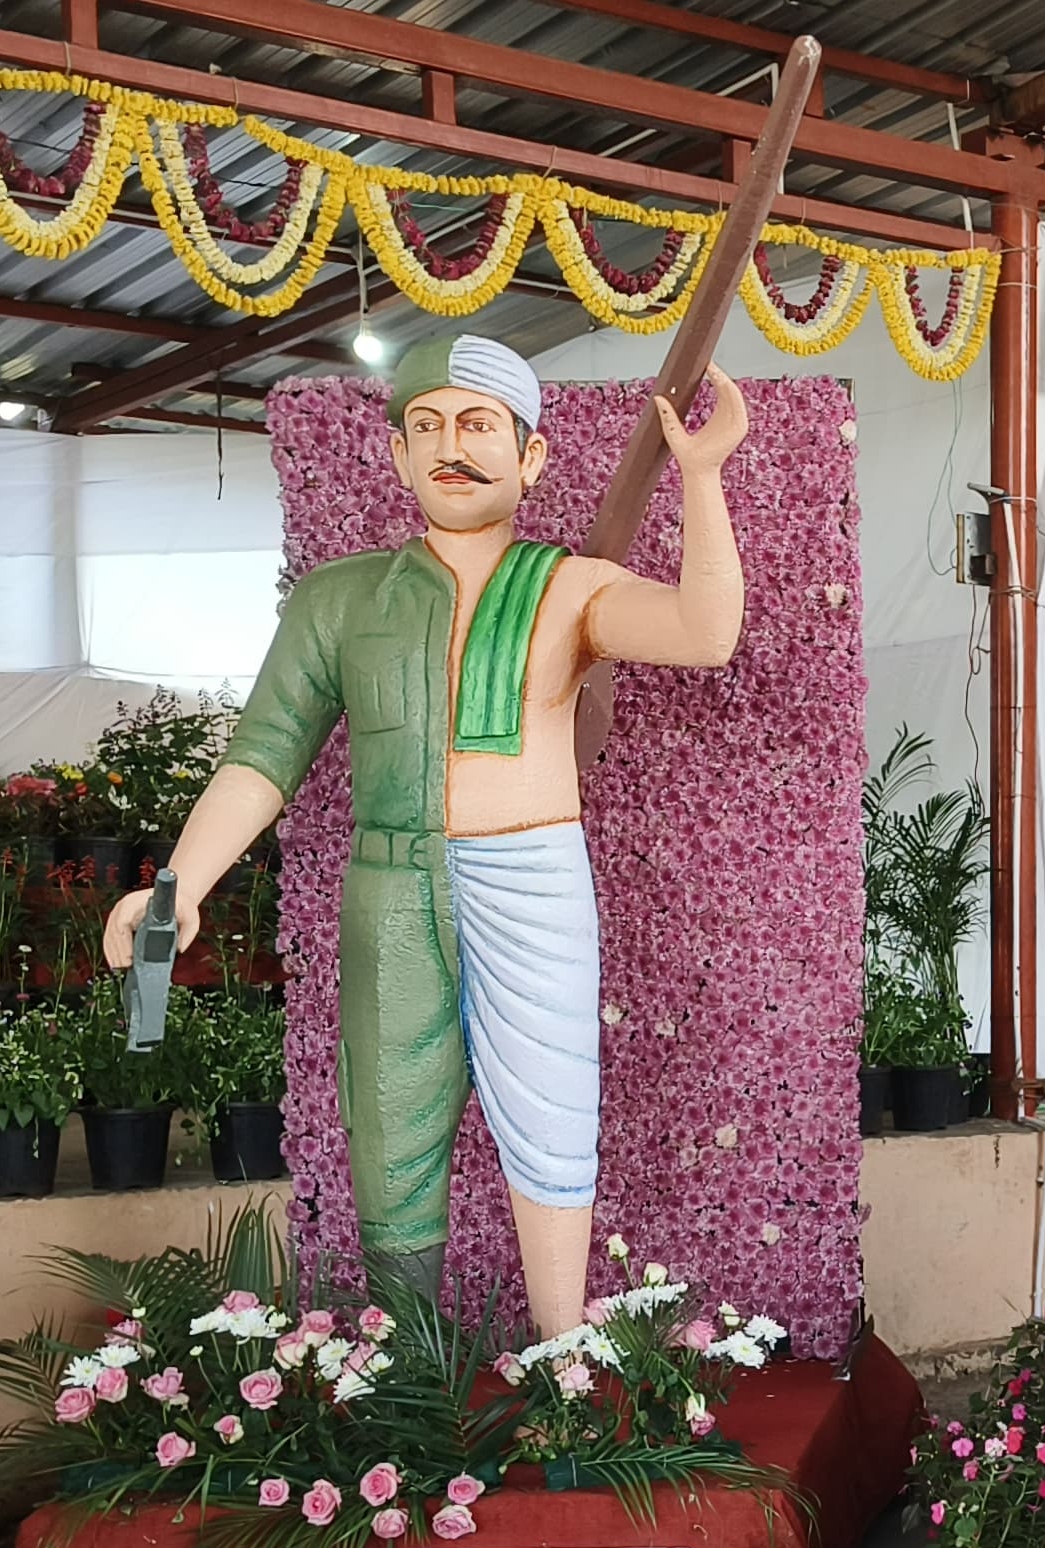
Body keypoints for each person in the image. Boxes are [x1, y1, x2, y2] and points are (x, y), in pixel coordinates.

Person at [103, 333, 753, 1336]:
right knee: (390, 1124)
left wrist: (702, 479)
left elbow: (704, 633)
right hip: (392, 882)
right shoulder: (337, 600)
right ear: (399, 456)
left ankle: (563, 1357)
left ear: (530, 456)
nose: (454, 446)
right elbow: (263, 756)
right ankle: (412, 1376)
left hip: (535, 878)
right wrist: (179, 885)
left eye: (480, 423)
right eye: (430, 426)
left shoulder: (569, 586)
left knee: (551, 1119)